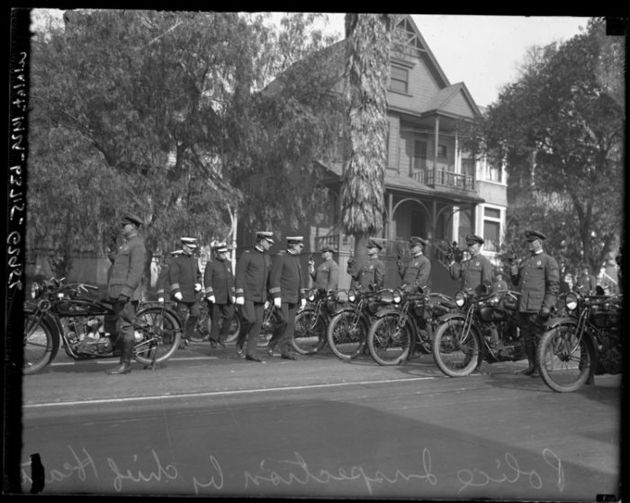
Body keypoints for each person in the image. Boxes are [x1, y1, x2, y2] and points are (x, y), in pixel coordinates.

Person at [510, 230, 559, 377]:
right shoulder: (526, 261)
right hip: (524, 306)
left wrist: (547, 306)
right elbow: (516, 282)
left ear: (539, 242)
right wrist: (513, 268)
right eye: (529, 242)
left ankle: (541, 367)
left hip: (537, 307)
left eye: (532, 242)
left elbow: (553, 286)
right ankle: (532, 365)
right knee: (527, 339)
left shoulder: (548, 261)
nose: (529, 245)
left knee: (538, 338)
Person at [106, 213, 146, 375]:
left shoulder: (136, 245)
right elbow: (118, 262)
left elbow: (136, 272)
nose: (122, 228)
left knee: (126, 327)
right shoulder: (127, 245)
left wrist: (127, 291)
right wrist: (111, 246)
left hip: (126, 295)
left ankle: (126, 364)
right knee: (115, 325)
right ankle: (120, 357)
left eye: (125, 225)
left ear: (133, 227)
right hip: (118, 293)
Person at [235, 231, 274, 362]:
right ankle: (240, 341)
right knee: (250, 319)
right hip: (247, 294)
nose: (270, 245)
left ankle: (250, 353)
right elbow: (239, 275)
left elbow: (269, 279)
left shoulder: (267, 258)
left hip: (261, 296)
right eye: (268, 242)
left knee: (257, 325)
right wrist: (239, 293)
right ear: (261, 241)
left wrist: (270, 296)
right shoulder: (247, 255)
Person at [267, 236, 307, 360]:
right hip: (283, 297)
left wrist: (303, 296)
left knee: (290, 325)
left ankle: (286, 351)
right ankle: (272, 343)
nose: (301, 247)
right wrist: (276, 296)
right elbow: (274, 278)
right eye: (300, 245)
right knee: (283, 321)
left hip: (294, 297)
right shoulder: (281, 257)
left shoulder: (296, 259)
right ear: (293, 245)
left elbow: (300, 280)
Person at [169, 237, 203, 348]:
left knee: (196, 314)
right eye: (190, 248)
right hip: (182, 295)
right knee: (180, 318)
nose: (192, 250)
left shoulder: (194, 259)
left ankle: (187, 337)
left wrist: (199, 283)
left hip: (193, 295)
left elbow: (198, 274)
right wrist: (176, 290)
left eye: (193, 248)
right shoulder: (177, 260)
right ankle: (178, 339)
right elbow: (173, 277)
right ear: (184, 247)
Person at [203, 241, 235, 350]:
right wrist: (210, 293)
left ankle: (222, 337)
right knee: (215, 319)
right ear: (216, 253)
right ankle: (213, 339)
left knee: (230, 316)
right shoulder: (211, 263)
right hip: (215, 296)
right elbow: (207, 280)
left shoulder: (228, 263)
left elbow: (231, 280)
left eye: (225, 252)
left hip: (227, 296)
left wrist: (233, 293)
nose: (223, 254)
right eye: (221, 253)